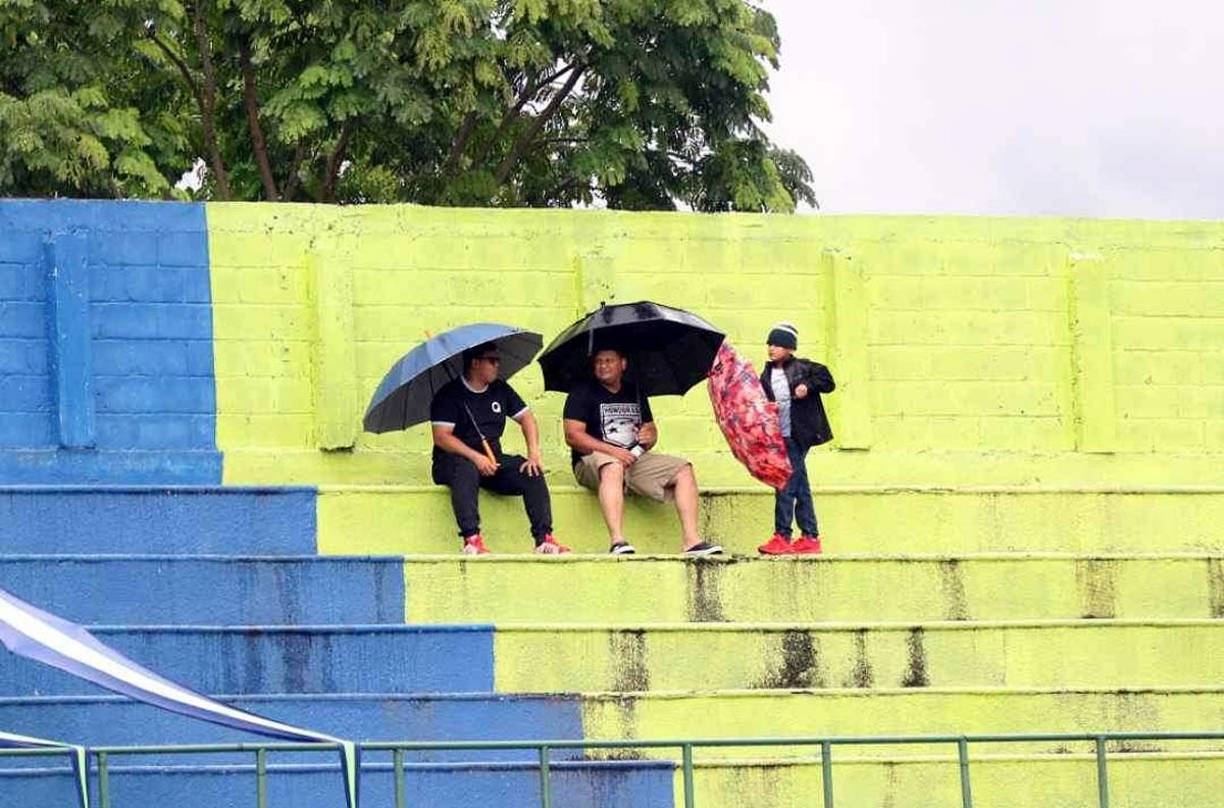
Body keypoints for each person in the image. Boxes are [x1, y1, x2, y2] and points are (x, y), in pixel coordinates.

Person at [563, 348, 722, 556]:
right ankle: (618, 541)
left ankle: (692, 541)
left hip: (632, 461)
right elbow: (573, 436)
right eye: (599, 362)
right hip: (591, 462)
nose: (603, 366)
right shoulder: (582, 392)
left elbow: (650, 431)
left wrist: (650, 436)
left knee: (683, 469)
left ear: (623, 364)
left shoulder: (635, 392)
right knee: (612, 466)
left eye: (609, 361)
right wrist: (613, 452)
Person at [431, 342, 569, 555]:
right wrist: (475, 457)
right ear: (475, 363)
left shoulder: (500, 389)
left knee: (530, 470)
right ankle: (472, 540)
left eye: (498, 360)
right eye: (492, 361)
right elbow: (441, 437)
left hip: (491, 461)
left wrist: (534, 453)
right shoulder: (449, 394)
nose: (497, 365)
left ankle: (544, 539)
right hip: (453, 461)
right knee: (466, 468)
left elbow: (527, 418)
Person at [757, 323, 835, 555]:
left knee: (785, 483)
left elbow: (828, 383)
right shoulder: (767, 373)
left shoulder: (805, 367)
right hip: (779, 436)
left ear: (790, 348)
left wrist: (807, 386)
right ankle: (810, 537)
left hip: (799, 434)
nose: (772, 348)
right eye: (770, 344)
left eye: (778, 344)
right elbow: (762, 399)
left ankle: (782, 536)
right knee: (799, 484)